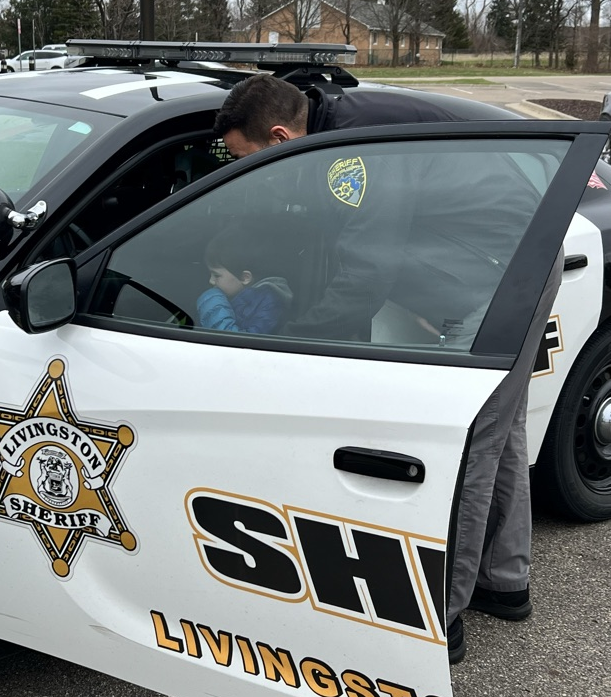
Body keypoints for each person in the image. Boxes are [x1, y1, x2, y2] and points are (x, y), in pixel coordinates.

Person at [213, 73, 563, 663]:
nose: (252, 173)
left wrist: (286, 339)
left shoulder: (358, 153)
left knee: (469, 445)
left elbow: (366, 267)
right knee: (501, 434)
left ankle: (439, 619)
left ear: (278, 137)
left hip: (504, 275)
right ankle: (504, 582)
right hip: (494, 262)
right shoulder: (336, 121)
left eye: (250, 160)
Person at [197, 224, 293, 334]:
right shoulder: (232, 293)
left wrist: (212, 307)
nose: (211, 281)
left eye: (216, 275)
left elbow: (240, 343)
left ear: (245, 277)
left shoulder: (270, 305)